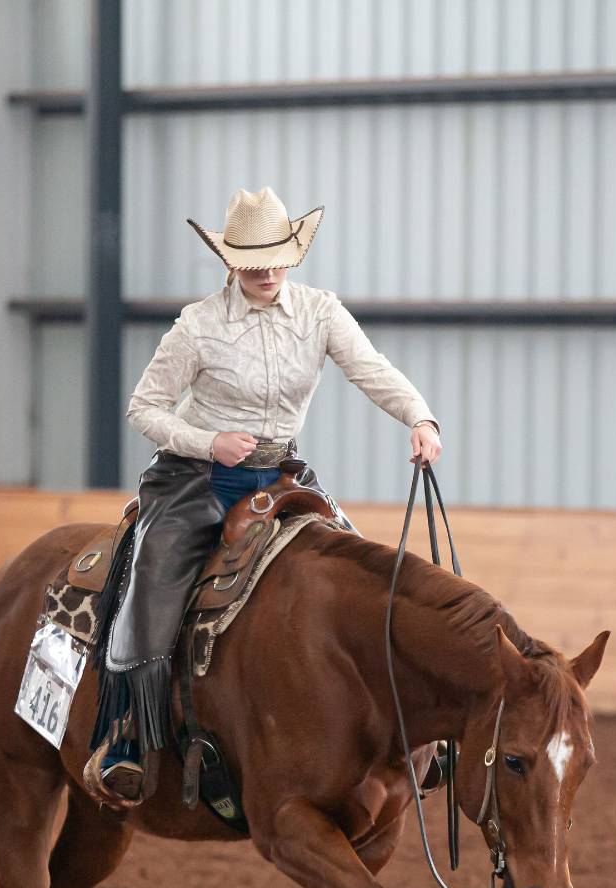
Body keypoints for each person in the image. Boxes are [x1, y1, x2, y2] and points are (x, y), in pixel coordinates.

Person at [88, 186, 445, 805]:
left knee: (364, 573)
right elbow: (143, 407)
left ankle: (416, 736)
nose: (269, 272)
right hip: (196, 477)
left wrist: (419, 418)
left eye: (278, 258)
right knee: (156, 574)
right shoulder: (197, 327)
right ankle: (125, 733)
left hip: (280, 477)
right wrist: (206, 441)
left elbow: (371, 369)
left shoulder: (320, 312)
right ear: (230, 261)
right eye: (254, 262)